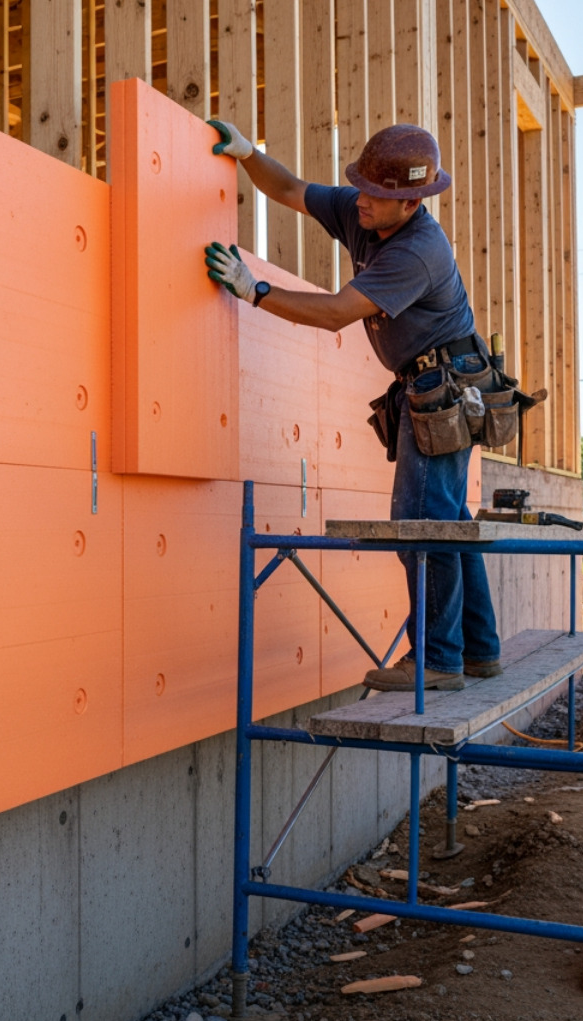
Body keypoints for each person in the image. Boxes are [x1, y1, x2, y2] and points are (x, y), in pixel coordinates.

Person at [202, 120, 500, 690]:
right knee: (449, 521)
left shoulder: (418, 251)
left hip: (445, 390)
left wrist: (253, 290)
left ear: (410, 201)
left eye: (376, 195)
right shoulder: (368, 210)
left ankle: (438, 661)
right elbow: (290, 190)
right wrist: (246, 154)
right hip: (434, 382)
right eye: (360, 187)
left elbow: (337, 312)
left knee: (422, 523)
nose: (360, 201)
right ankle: (479, 651)